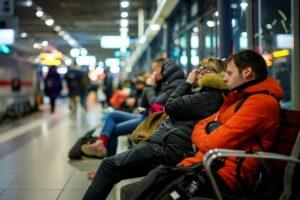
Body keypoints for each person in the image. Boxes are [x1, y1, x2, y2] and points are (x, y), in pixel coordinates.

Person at [122, 50, 284, 199]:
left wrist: (204, 135)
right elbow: (202, 124)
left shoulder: (259, 103)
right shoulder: (239, 98)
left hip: (223, 176)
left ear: (247, 73)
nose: (225, 78)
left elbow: (211, 143)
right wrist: (207, 132)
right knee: (136, 188)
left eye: (229, 73)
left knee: (145, 190)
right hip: (205, 165)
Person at [82, 57, 228, 200]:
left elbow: (167, 106)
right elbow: (145, 103)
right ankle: (101, 142)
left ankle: (101, 144)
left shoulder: (206, 96)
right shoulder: (202, 93)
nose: (200, 72)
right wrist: (151, 86)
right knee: (112, 121)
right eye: (200, 68)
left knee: (109, 166)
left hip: (166, 147)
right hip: (165, 140)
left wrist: (186, 82)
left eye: (206, 69)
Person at [81, 58, 185, 158]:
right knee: (112, 115)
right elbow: (142, 104)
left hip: (151, 120)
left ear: (163, 70)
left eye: (154, 70)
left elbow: (154, 103)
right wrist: (151, 86)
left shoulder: (173, 85)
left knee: (113, 130)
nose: (151, 73)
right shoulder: (163, 84)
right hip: (145, 116)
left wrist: (149, 86)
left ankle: (106, 158)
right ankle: (101, 143)